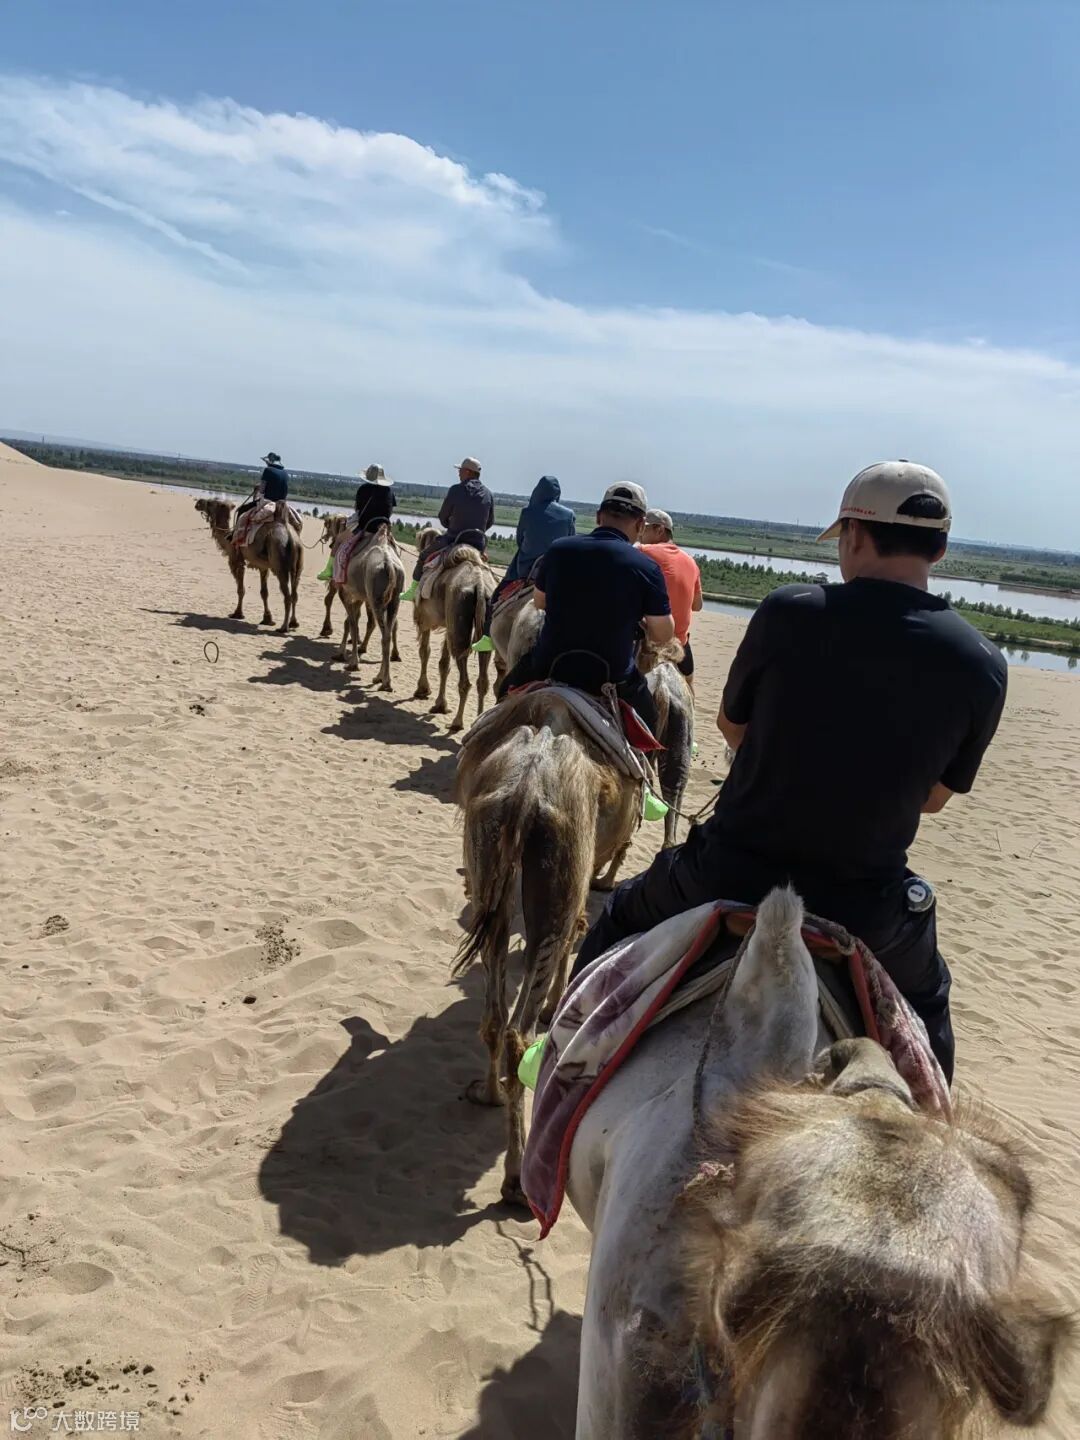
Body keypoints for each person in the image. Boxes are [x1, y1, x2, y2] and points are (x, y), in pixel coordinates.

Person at [570, 462, 1008, 1084]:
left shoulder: (790, 610)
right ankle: (932, 1117)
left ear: (855, 534)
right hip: (867, 902)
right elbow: (934, 799)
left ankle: (554, 1058)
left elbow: (731, 727)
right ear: (939, 548)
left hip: (730, 869)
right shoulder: (981, 661)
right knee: (929, 1000)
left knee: (618, 916)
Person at [496, 482, 675, 733]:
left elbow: (539, 602)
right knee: (652, 724)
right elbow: (663, 634)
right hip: (613, 677)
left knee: (503, 697)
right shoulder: (647, 567)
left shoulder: (558, 550)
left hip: (549, 665)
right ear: (640, 525)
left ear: (599, 516)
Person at [473, 475, 576, 652]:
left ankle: (487, 637)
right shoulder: (569, 515)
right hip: (556, 570)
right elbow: (570, 541)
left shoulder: (528, 511)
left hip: (526, 569)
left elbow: (520, 540)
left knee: (496, 597)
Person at [402, 457, 494, 600]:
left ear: (468, 472)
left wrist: (450, 525)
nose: (459, 473)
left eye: (460, 470)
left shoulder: (456, 489)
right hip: (478, 544)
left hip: (454, 539)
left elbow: (443, 516)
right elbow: (490, 522)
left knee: (423, 556)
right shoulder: (488, 493)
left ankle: (413, 591)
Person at [639, 507, 703, 687]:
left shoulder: (642, 551)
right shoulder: (691, 562)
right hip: (680, 646)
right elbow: (697, 605)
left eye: (644, 528)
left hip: (646, 644)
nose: (639, 533)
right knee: (689, 685)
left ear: (659, 530)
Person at [234, 451, 289, 538]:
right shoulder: (285, 473)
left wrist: (259, 491)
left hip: (267, 501)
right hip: (282, 504)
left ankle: (235, 536)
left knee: (241, 511)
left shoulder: (268, 470)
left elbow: (262, 489)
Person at [351, 463, 396, 533]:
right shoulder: (389, 491)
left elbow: (357, 508)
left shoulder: (363, 488)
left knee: (342, 537)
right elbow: (391, 511)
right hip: (383, 527)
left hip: (364, 527)